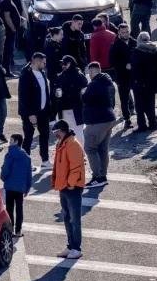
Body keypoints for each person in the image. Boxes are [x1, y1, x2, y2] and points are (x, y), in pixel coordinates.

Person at [51, 119, 85, 260]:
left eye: (56, 132)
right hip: (64, 186)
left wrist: (71, 184)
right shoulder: (63, 143)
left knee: (74, 220)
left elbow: (76, 167)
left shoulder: (72, 145)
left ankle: (76, 248)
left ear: (62, 131)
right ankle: (71, 246)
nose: (55, 135)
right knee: (67, 218)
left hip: (72, 188)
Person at [82, 62, 116, 188]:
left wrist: (83, 92)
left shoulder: (94, 84)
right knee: (102, 149)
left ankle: (98, 177)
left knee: (90, 148)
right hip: (109, 118)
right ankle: (103, 175)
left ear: (92, 71)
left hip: (97, 121)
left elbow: (85, 98)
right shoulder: (108, 82)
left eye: (89, 72)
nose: (88, 75)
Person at [18, 52, 52, 169]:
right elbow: (24, 96)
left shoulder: (42, 72)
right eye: (43, 62)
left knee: (45, 135)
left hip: (43, 112)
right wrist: (30, 113)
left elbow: (45, 92)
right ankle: (26, 162)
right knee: (28, 137)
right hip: (30, 113)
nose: (45, 64)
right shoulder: (26, 74)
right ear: (37, 61)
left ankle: (45, 160)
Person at [130, 32, 157, 132]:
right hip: (153, 82)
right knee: (150, 103)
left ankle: (142, 126)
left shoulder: (137, 51)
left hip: (140, 83)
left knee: (139, 106)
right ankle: (153, 124)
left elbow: (135, 68)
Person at [0, 134, 33, 237]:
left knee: (9, 209)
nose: (9, 142)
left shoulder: (9, 154)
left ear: (16, 141)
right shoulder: (27, 157)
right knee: (19, 209)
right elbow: (29, 174)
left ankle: (10, 230)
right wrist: (27, 188)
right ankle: (18, 231)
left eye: (11, 140)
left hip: (10, 186)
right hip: (20, 188)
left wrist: (3, 177)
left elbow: (6, 169)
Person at [109, 23, 136, 129]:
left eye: (127, 32)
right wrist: (125, 65)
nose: (125, 34)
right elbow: (111, 61)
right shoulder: (115, 45)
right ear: (119, 33)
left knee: (140, 96)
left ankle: (143, 116)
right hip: (122, 76)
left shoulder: (133, 42)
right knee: (124, 99)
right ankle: (127, 119)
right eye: (123, 32)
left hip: (134, 75)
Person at [55, 55, 87, 143]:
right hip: (65, 109)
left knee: (76, 133)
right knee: (67, 133)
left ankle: (79, 153)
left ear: (69, 63)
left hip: (74, 109)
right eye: (62, 64)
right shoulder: (62, 76)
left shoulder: (77, 75)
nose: (63, 66)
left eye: (64, 64)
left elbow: (85, 89)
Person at [0, 0, 22, 76]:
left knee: (9, 51)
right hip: (9, 31)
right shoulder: (5, 2)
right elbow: (7, 17)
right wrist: (13, 29)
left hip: (11, 31)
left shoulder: (9, 0)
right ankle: (7, 71)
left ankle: (7, 70)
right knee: (8, 51)